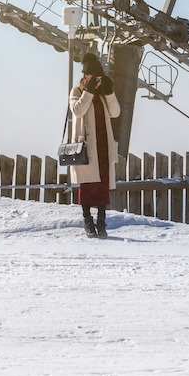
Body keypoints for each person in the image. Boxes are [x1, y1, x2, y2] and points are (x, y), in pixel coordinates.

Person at [69, 52, 121, 238]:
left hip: (103, 144)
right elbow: (78, 110)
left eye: (94, 75)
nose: (90, 78)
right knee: (88, 186)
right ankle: (87, 221)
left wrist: (109, 91)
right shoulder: (78, 90)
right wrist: (88, 91)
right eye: (88, 75)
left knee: (102, 186)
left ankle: (101, 221)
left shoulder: (101, 92)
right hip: (86, 146)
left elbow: (115, 112)